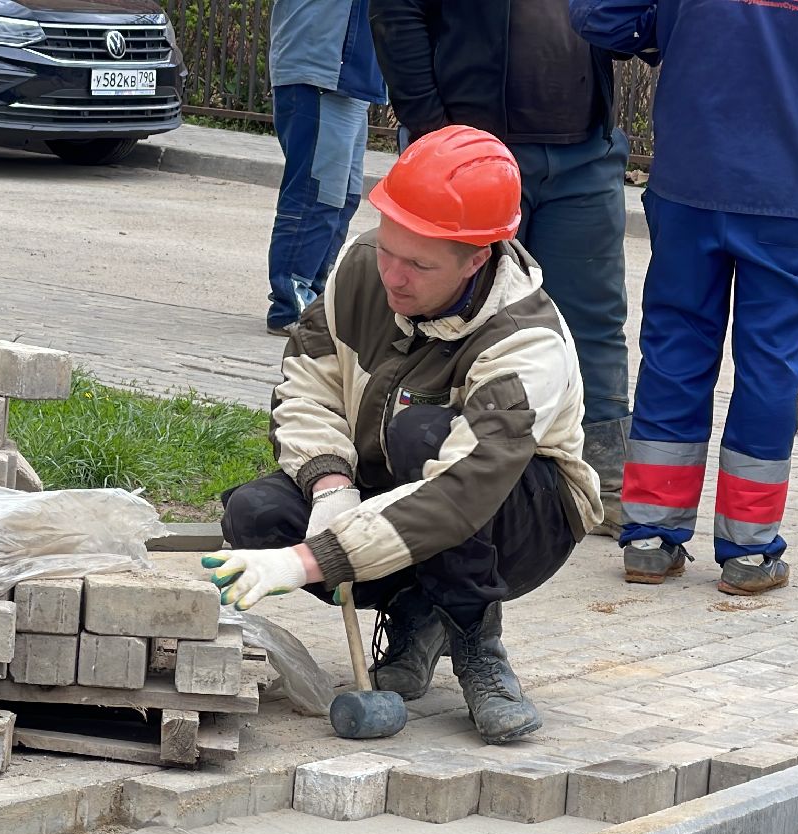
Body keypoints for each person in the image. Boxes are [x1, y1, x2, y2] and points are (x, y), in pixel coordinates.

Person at [207, 126, 601, 745]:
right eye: (389, 246)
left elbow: (461, 492)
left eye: (419, 263)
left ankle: (475, 640)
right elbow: (307, 377)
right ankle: (417, 609)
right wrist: (330, 482)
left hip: (523, 519)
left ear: (479, 257)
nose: (392, 274)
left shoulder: (525, 342)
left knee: (422, 434)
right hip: (389, 487)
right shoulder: (366, 267)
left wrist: (314, 559)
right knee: (257, 514)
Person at [570, 0, 798, 595]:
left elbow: (598, 17)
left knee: (675, 352)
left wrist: (671, 35)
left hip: (690, 178)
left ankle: (650, 535)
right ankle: (750, 551)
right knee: (769, 366)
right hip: (789, 189)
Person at [369, 0, 633, 537]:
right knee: (440, 310)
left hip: (582, 149)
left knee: (595, 321)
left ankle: (604, 480)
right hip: (463, 159)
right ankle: (417, 466)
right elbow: (397, 13)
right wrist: (431, 131)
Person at [266, 0, 387, 336]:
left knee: (340, 197)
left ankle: (314, 297)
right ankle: (291, 303)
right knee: (314, 195)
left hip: (348, 77)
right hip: (321, 69)